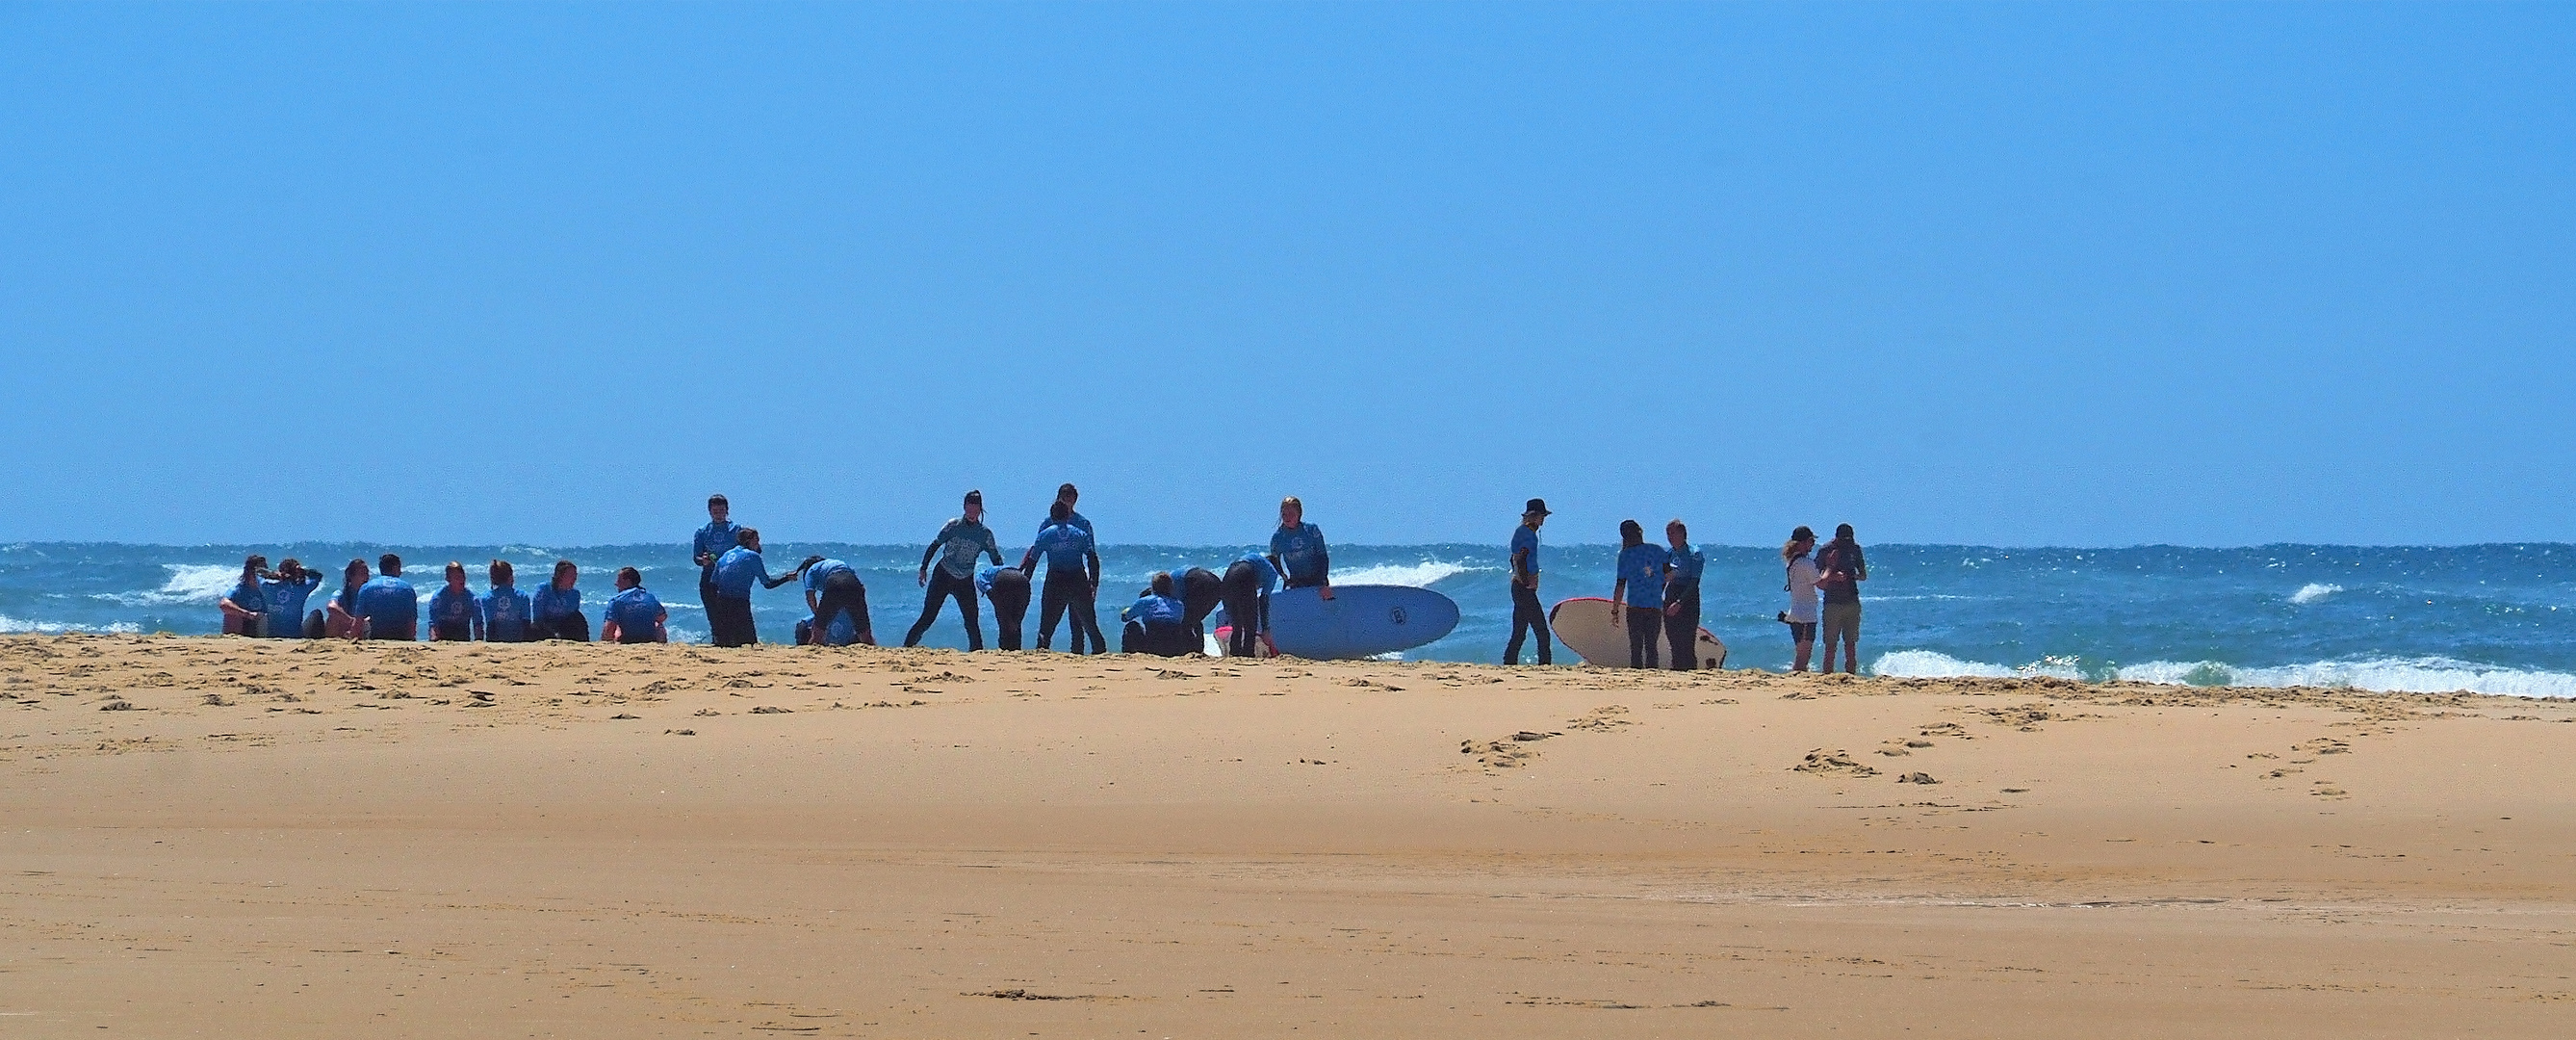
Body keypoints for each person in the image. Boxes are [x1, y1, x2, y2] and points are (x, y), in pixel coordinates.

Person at [906, 490, 1004, 650]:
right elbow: (935, 545)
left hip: (965, 580)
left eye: (975, 510)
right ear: (964, 507)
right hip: (943, 574)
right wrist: (923, 568)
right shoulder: (953, 526)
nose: (972, 514)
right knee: (928, 616)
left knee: (972, 620)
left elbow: (996, 558)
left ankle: (977, 653)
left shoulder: (985, 534)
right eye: (969, 509)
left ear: (980, 510)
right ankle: (907, 646)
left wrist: (1001, 578)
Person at [1024, 500, 1103, 653]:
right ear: (1067, 516)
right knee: (1090, 625)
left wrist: (1026, 582)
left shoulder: (1045, 534)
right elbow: (1092, 558)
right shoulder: (1080, 534)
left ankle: (1041, 653)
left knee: (1046, 626)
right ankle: (1100, 653)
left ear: (1052, 517)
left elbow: (1032, 561)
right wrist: (1093, 582)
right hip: (1077, 579)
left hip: (1056, 580)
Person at [711, 528, 798, 647]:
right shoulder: (752, 556)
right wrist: (787, 578)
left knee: (726, 643)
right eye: (756, 540)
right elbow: (768, 584)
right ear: (748, 541)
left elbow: (714, 582)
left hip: (721, 602)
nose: (758, 544)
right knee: (749, 643)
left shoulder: (725, 555)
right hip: (739, 602)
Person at [1608, 520, 1668, 669]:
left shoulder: (1624, 556)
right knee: (1651, 647)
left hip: (1635, 606)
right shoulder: (1657, 550)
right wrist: (1658, 589)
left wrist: (1615, 610)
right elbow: (1669, 575)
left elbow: (1620, 585)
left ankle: (1638, 678)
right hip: (1654, 605)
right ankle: (1652, 679)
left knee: (1636, 648)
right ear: (1640, 532)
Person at [1816, 523, 1868, 675]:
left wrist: (1853, 576)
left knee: (1851, 643)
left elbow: (1863, 575)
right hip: (1832, 601)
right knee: (1830, 644)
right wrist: (1833, 576)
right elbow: (1816, 578)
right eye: (1843, 540)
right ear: (1836, 538)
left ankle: (1851, 675)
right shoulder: (1826, 550)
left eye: (1849, 540)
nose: (1846, 543)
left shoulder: (1855, 549)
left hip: (1852, 600)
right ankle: (1827, 676)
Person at [1504, 499, 1552, 665]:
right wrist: (1527, 581)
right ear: (1534, 516)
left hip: (1518, 587)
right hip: (1523, 588)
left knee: (1519, 632)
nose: (1543, 519)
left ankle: (1509, 663)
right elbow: (1520, 559)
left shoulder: (1523, 532)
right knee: (1542, 631)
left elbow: (1514, 559)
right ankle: (1545, 665)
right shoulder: (1527, 534)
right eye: (1542, 516)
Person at [798, 555, 876, 647]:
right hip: (854, 584)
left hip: (834, 583)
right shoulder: (837, 563)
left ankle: (812, 657)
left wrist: (818, 615)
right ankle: (875, 653)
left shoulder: (811, 570)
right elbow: (862, 587)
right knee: (865, 635)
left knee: (817, 635)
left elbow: (810, 595)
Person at [1267, 497, 1332, 600]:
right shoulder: (1278, 538)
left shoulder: (1312, 530)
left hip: (1318, 580)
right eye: (1284, 514)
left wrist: (1323, 581)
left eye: (1291, 514)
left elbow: (1323, 556)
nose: (1287, 518)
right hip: (1296, 583)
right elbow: (1273, 561)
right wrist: (1284, 578)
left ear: (1299, 514)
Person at [692, 494, 742, 626]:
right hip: (709, 576)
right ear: (710, 512)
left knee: (732, 613)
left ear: (727, 510)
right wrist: (703, 560)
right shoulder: (702, 531)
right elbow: (696, 557)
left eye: (721, 511)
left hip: (731, 578)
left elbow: (746, 551)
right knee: (713, 613)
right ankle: (717, 639)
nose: (719, 514)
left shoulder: (736, 529)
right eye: (715, 511)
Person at [1662, 520, 1706, 671]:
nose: (1670, 537)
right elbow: (1662, 579)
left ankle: (1689, 671)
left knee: (1687, 639)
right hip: (1671, 593)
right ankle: (1676, 670)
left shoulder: (1695, 553)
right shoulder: (1668, 554)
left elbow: (1694, 582)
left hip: (1688, 597)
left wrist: (1680, 603)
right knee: (1673, 637)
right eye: (1668, 533)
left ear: (1682, 533)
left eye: (1673, 533)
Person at [1218, 551, 1277, 657]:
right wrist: (1265, 629)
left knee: (1237, 625)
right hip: (1245, 573)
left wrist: (1228, 617)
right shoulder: (1272, 572)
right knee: (1250, 624)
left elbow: (1227, 601)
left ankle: (1234, 653)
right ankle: (1248, 654)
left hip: (1229, 574)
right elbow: (1263, 600)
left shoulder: (1256, 560)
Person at [1121, 572, 1191, 656]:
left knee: (1131, 626)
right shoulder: (1179, 604)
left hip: (1152, 646)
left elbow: (1126, 617)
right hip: (1174, 647)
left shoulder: (1146, 600)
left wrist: (1137, 605)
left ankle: (1128, 656)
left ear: (1153, 587)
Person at [352, 554, 419, 641]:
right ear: (395, 568)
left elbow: (358, 622)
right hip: (402, 637)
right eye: (399, 569)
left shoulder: (367, 587)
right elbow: (412, 623)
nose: (400, 572)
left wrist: (353, 638)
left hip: (377, 636)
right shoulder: (407, 588)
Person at [1781, 527, 1820, 673]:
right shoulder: (1805, 563)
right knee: (1803, 658)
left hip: (1796, 612)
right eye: (1811, 541)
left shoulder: (1792, 561)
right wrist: (1831, 572)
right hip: (1806, 615)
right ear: (1803, 542)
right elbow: (1820, 583)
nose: (1813, 544)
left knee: (1801, 654)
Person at [601, 566, 668, 644]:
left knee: (616, 625)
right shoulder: (650, 597)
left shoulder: (616, 600)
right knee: (658, 624)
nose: (616, 583)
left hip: (627, 640)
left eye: (619, 580)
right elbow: (663, 616)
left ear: (628, 581)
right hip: (649, 639)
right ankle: (661, 644)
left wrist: (605, 642)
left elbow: (609, 628)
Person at [261, 559, 322, 639]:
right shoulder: (302, 588)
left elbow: (258, 572)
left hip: (272, 636)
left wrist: (273, 575)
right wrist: (303, 571)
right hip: (296, 636)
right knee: (317, 613)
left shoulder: (267, 587)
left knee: (262, 615)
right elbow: (318, 576)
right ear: (297, 573)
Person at [531, 559, 589, 642]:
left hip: (564, 627)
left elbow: (574, 618)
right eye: (571, 575)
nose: (575, 578)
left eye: (575, 575)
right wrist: (553, 632)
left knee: (579, 618)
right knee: (534, 628)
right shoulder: (544, 589)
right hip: (545, 627)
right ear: (560, 575)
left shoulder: (575, 594)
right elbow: (538, 617)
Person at [425, 561, 482, 642]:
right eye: (457, 578)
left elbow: (477, 624)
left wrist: (478, 641)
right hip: (443, 639)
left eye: (463, 577)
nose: (462, 580)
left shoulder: (472, 599)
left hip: (463, 639)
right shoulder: (438, 598)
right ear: (448, 579)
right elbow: (434, 624)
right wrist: (434, 641)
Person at [979, 564, 1031, 651]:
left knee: (1004, 621)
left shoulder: (983, 573)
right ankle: (1016, 648)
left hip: (1003, 578)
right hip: (1022, 578)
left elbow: (981, 581)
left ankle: (1004, 648)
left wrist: (991, 594)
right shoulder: (1009, 567)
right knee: (1016, 621)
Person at [219, 555, 270, 637]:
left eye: (265, 570)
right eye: (260, 571)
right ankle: (232, 641)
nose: (262, 574)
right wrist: (247, 614)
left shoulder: (269, 588)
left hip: (262, 624)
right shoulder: (239, 589)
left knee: (264, 617)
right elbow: (223, 604)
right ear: (250, 571)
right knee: (231, 615)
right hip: (244, 624)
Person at [481, 560, 533, 643]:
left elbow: (490, 627)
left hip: (498, 642)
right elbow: (526, 625)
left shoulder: (487, 598)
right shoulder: (522, 596)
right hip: (518, 641)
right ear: (510, 577)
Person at [1172, 565, 1223, 646]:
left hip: (1200, 582)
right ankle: (1198, 647)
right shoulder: (1174, 577)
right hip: (1216, 584)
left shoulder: (1171, 586)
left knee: (1187, 622)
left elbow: (1179, 606)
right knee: (1196, 619)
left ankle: (1189, 648)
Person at [324, 559, 370, 638]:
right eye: (362, 574)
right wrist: (351, 621)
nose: (366, 577)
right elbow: (331, 607)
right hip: (344, 629)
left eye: (367, 574)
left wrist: (359, 623)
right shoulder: (341, 593)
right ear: (351, 576)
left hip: (361, 628)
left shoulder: (369, 594)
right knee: (333, 617)